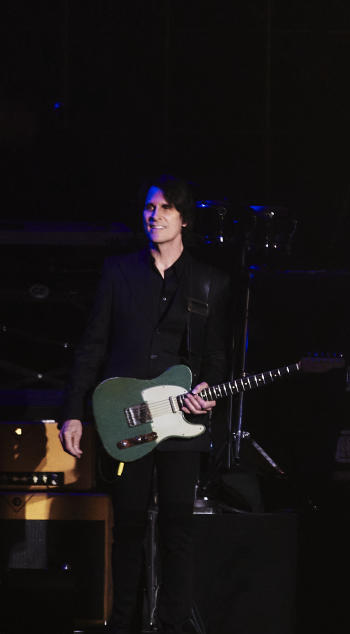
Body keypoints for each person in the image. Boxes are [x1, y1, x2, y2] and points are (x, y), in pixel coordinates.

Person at [59, 175, 230, 633]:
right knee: (128, 527)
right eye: (150, 208)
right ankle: (122, 624)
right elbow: (91, 345)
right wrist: (74, 410)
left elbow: (215, 355)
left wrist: (207, 392)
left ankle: (172, 625)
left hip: (180, 423)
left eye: (166, 208)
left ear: (184, 219)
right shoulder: (119, 272)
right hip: (124, 417)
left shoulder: (209, 283)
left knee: (177, 528)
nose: (155, 215)